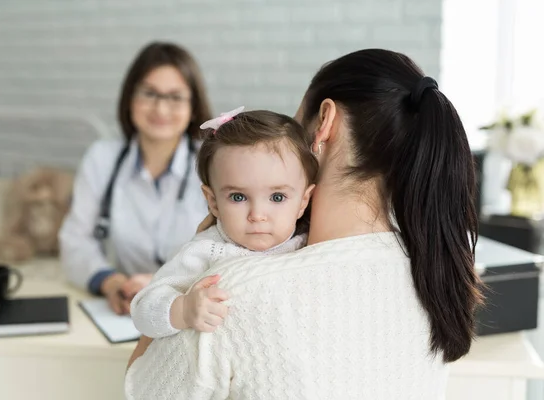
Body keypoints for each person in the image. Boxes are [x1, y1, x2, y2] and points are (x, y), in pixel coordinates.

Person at [125, 49, 483, 399]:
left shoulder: (234, 292)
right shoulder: (431, 274)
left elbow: (140, 390)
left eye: (296, 126)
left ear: (324, 122)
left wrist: (184, 285)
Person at [130, 108, 317, 338]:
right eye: (238, 197)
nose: (257, 215)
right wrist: (184, 309)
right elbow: (142, 310)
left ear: (303, 201)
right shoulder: (206, 251)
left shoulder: (310, 244)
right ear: (213, 202)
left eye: (277, 197)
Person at [59, 42, 212, 314]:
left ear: (193, 106)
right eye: (149, 93)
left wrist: (160, 284)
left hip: (192, 308)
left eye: (175, 97)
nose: (161, 109)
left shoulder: (215, 163)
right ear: (130, 98)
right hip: (126, 306)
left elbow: (235, 251)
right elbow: (75, 240)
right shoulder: (102, 158)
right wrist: (110, 282)